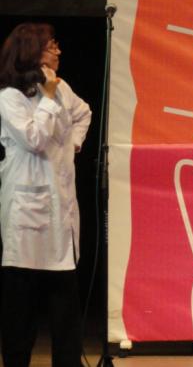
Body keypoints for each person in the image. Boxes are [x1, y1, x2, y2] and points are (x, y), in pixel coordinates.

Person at [0, 23, 92, 367]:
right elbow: (34, 139)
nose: (58, 51)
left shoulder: (60, 87)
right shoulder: (9, 97)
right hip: (26, 213)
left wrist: (74, 143)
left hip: (59, 210)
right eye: (51, 45)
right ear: (32, 52)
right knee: (20, 308)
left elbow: (84, 113)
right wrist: (49, 99)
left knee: (65, 308)